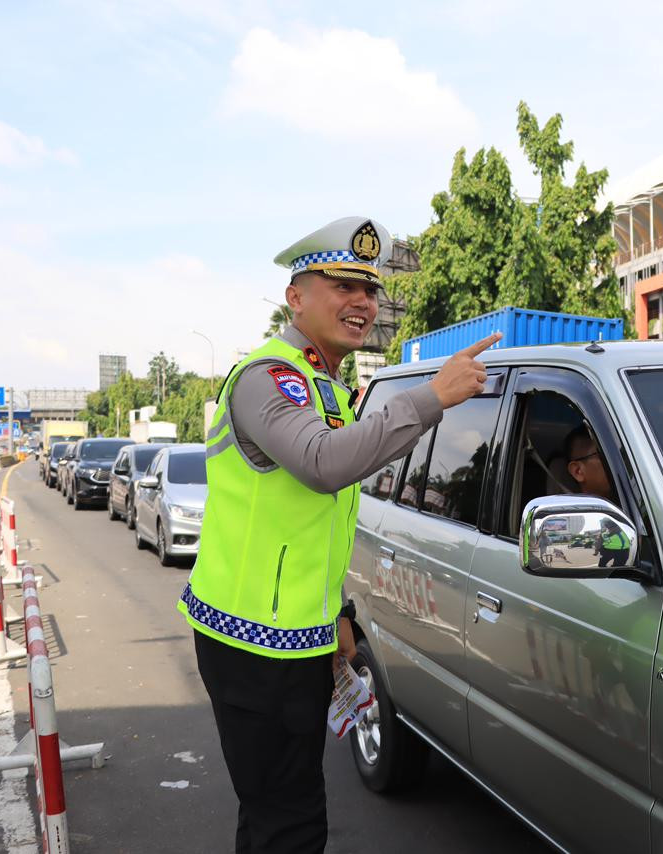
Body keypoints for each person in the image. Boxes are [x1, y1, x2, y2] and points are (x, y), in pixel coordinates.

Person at [177, 215, 501, 853]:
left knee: (278, 816)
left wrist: (337, 617)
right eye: (344, 284)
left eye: (371, 289)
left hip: (296, 640)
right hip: (252, 647)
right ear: (295, 297)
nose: (363, 303)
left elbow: (310, 530)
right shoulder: (266, 377)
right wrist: (431, 397)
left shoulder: (325, 383)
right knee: (289, 824)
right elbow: (324, 465)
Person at [562, 425, 629, 566]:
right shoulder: (577, 523)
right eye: (605, 455)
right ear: (578, 471)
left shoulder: (641, 504)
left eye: (621, 453)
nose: (619, 462)